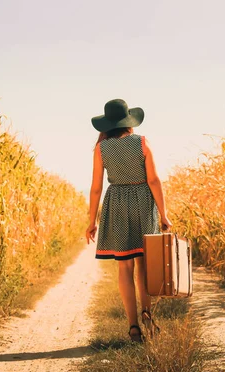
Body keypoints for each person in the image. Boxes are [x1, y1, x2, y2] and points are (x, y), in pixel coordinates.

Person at [85, 98, 172, 343]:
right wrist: (164, 215)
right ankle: (147, 314)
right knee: (143, 263)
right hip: (143, 202)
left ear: (107, 125)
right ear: (128, 122)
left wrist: (92, 221)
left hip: (117, 203)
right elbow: (154, 181)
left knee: (124, 266)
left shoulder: (101, 149)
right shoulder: (142, 143)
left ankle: (133, 327)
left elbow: (95, 188)